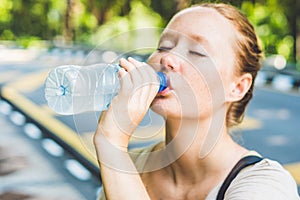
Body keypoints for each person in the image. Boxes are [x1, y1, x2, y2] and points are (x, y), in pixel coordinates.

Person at [94, 3, 300, 200]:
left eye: (196, 52)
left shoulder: (265, 186)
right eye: (164, 46)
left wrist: (112, 143)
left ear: (237, 87)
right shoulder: (132, 165)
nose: (167, 59)